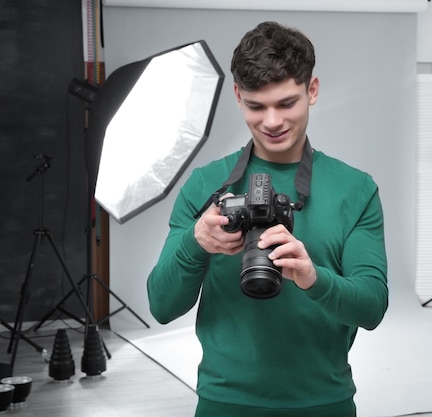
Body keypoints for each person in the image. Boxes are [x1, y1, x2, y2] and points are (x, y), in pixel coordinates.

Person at [147, 21, 388, 417]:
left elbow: (372, 306)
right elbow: (161, 305)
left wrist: (313, 277)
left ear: (312, 90)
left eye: (286, 103)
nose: (272, 121)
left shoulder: (355, 189)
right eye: (256, 106)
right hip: (224, 402)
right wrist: (196, 243)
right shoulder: (206, 186)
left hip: (324, 402)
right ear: (238, 97)